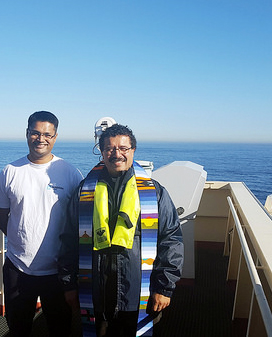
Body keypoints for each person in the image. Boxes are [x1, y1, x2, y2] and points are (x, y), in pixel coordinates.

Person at [58, 123, 183, 336]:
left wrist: (164, 288)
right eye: (110, 148)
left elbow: (170, 239)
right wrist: (68, 284)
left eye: (123, 148)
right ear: (101, 151)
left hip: (137, 293)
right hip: (96, 293)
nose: (117, 154)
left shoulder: (154, 193)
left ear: (133, 150)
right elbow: (69, 239)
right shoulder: (83, 192)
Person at [0, 111, 84, 337]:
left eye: (47, 134)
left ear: (55, 137)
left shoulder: (70, 173)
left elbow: (79, 220)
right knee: (18, 328)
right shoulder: (10, 171)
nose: (41, 139)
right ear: (27, 134)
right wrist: (20, 237)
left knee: (60, 328)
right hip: (18, 268)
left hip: (58, 271)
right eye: (35, 133)